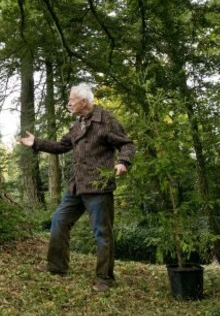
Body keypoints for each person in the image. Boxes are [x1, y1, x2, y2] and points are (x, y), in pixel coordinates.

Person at [19, 83, 135, 292]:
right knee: (59, 221)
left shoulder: (106, 120)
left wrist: (123, 162)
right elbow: (61, 146)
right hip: (76, 187)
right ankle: (56, 267)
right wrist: (36, 142)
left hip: (98, 188)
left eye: (72, 99)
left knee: (102, 233)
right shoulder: (77, 125)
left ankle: (104, 279)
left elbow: (126, 144)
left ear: (84, 101)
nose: (69, 103)